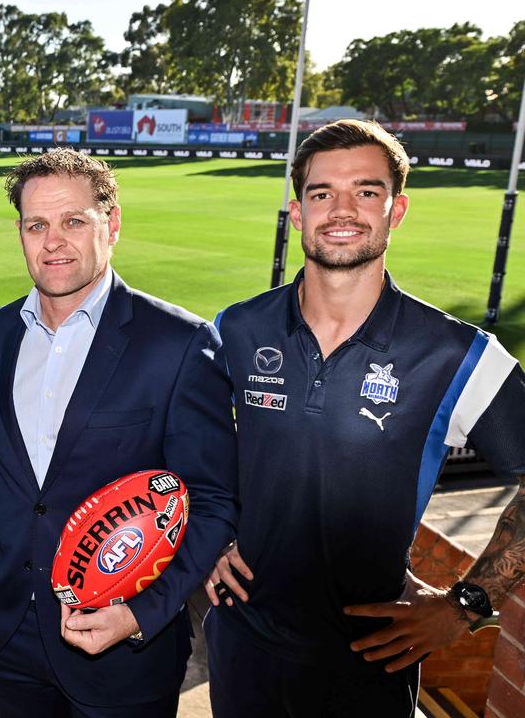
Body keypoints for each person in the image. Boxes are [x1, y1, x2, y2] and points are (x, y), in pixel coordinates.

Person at [206, 119, 525, 716]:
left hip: (369, 662)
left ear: (396, 209)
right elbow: (187, 444)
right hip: (240, 645)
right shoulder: (237, 328)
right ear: (297, 212)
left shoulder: (459, 355)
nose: (342, 210)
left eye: (367, 191)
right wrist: (208, 538)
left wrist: (467, 605)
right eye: (322, 193)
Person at [0, 148, 239, 717]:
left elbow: (212, 501)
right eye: (37, 224)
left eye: (73, 221)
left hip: (123, 652)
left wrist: (141, 614)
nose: (52, 241)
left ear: (112, 224)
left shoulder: (179, 343)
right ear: (20, 233)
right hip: (3, 631)